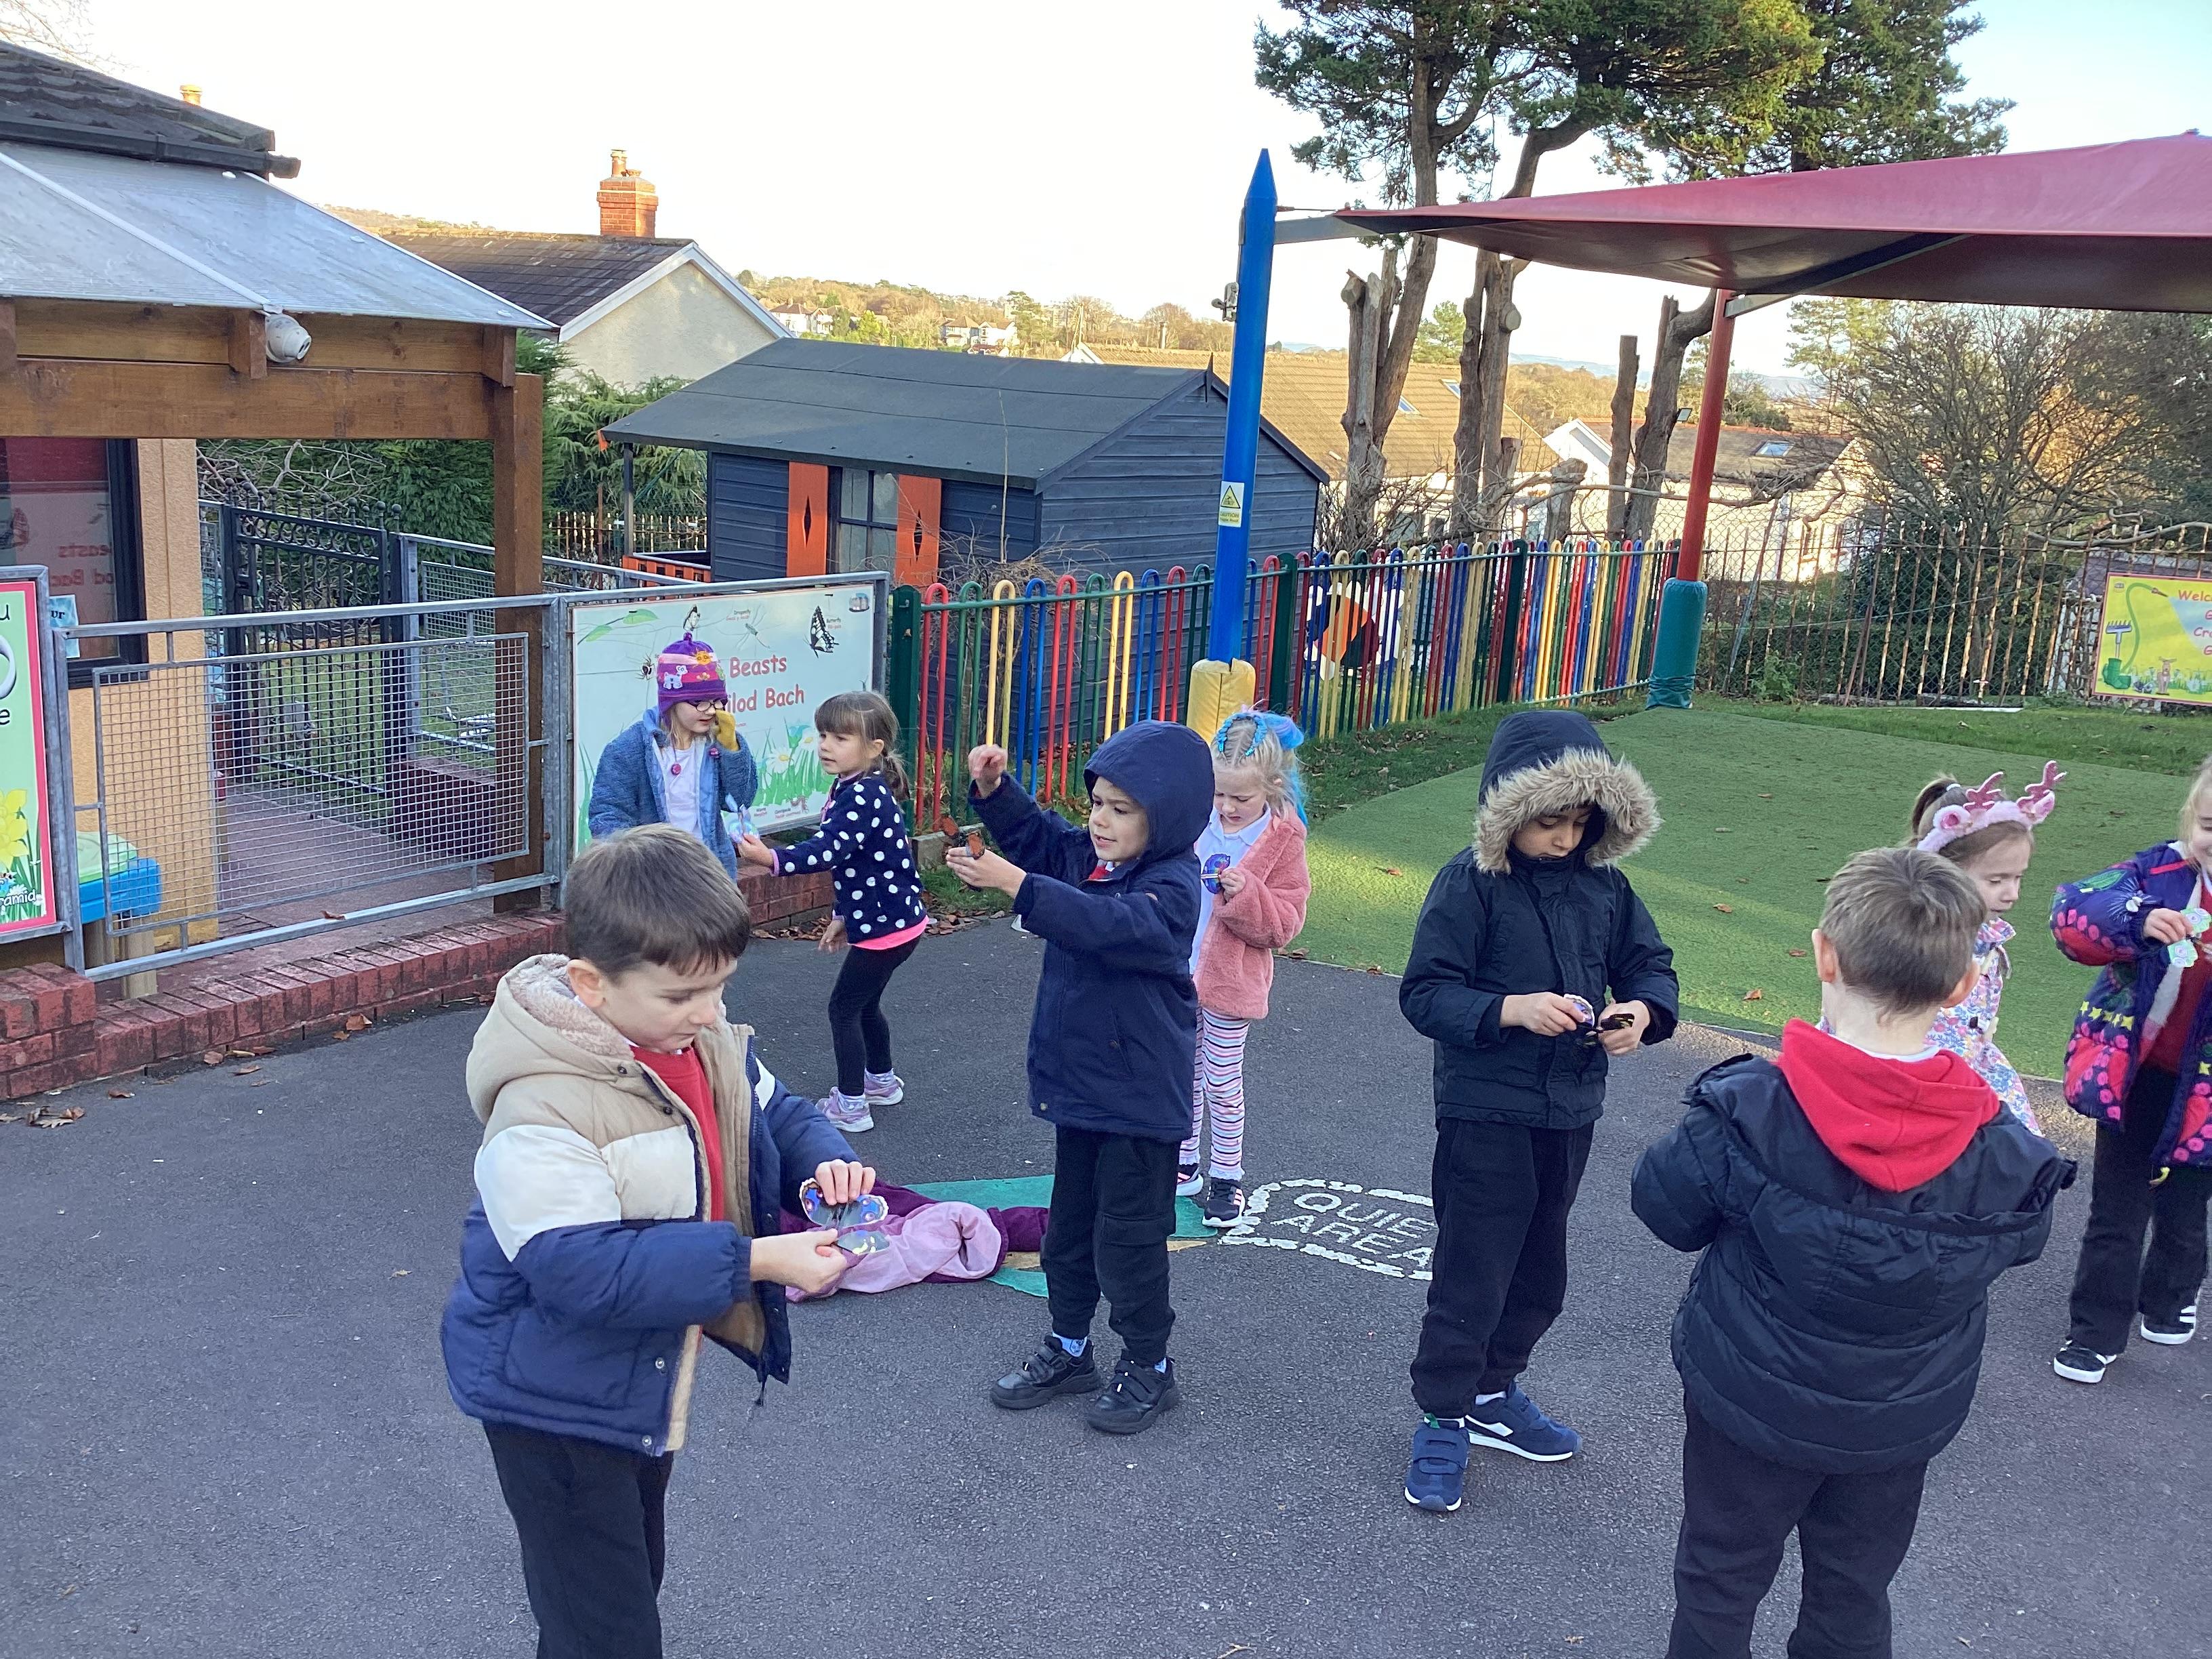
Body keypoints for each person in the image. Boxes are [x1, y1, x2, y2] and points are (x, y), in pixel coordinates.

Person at [441, 823, 874, 1659]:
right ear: (591, 985)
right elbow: (579, 1270)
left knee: (624, 1596)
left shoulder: (698, 1040)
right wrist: (755, 1261)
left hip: (631, 1382)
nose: (708, 1014)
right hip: (551, 1406)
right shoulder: (539, 1108)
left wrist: (825, 1165)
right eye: (683, 996)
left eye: (720, 987)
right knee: (607, 1632)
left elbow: (775, 1112)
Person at [1633, 847, 2067, 1659]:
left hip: (1752, 1401)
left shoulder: (1749, 1110)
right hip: (1897, 1419)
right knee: (1854, 1590)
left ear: (1824, 955)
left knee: (1721, 1576)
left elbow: (1665, 1208)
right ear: (1963, 985)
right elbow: (2023, 1243)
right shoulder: (2007, 1155)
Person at [1398, 708, 1679, 1514]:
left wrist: (1643, 1014)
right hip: (1486, 1111)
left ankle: (1494, 1392)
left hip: (1570, 1108)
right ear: (1509, 811)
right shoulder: (1470, 884)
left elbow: (1649, 965)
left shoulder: (1605, 887)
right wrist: (1510, 1010)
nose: (1563, 838)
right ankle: (1444, 1415)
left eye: (1579, 823)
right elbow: (1426, 993)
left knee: (1539, 1273)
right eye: (1548, 822)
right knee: (1473, 1271)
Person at [948, 720, 1214, 1435]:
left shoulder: (1171, 886)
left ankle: (1150, 1365)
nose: (1100, 820)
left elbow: (1110, 926)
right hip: (1084, 1091)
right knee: (1068, 1233)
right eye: (1098, 802)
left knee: (1129, 1242)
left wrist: (1019, 888)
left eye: (1121, 810)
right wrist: (995, 792)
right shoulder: (1092, 858)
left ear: (1167, 819)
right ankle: (1070, 1349)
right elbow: (1042, 841)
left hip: (1140, 1100)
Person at [2048, 754, 2212, 1382]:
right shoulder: (2158, 870)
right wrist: (2135, 919)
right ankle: (2094, 1332)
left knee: (2186, 1206)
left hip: (2205, 1092)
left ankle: (2170, 1296)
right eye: (2209, 825)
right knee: (2116, 1210)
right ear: (2189, 820)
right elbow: (2073, 913)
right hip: (2132, 1073)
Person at [738, 691, 928, 1133]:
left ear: (874, 748)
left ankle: (852, 1105)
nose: (825, 745)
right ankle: (881, 1081)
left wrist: (772, 858)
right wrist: (844, 915)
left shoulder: (862, 795)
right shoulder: (855, 785)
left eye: (840, 738)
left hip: (886, 926)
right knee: (865, 1004)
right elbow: (861, 863)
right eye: (823, 735)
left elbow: (829, 850)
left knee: (844, 1009)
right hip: (895, 920)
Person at [1181, 708, 1312, 1227]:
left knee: (1221, 1080)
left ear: (1272, 786)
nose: (1227, 808)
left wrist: (1247, 894)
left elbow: (1285, 924)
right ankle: (1184, 1162)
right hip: (1180, 968)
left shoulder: (1283, 838)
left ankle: (1227, 1178)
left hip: (1230, 980)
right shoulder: (1197, 819)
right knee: (1182, 1070)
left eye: (1240, 798)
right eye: (1219, 794)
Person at [1907, 766, 2062, 1131]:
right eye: (1996, 880)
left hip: (1972, 1066)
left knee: (2018, 1147)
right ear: (1943, 870)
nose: (2012, 893)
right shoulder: (1917, 937)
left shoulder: (1984, 935)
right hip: (1922, 1079)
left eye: (2018, 877)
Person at [588, 630, 758, 876]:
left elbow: (740, 801)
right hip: (651, 876)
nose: (712, 711)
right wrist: (633, 864)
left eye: (718, 701)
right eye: (700, 702)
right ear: (671, 701)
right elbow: (608, 814)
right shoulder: (628, 749)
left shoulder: (715, 742)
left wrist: (732, 749)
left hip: (709, 871)